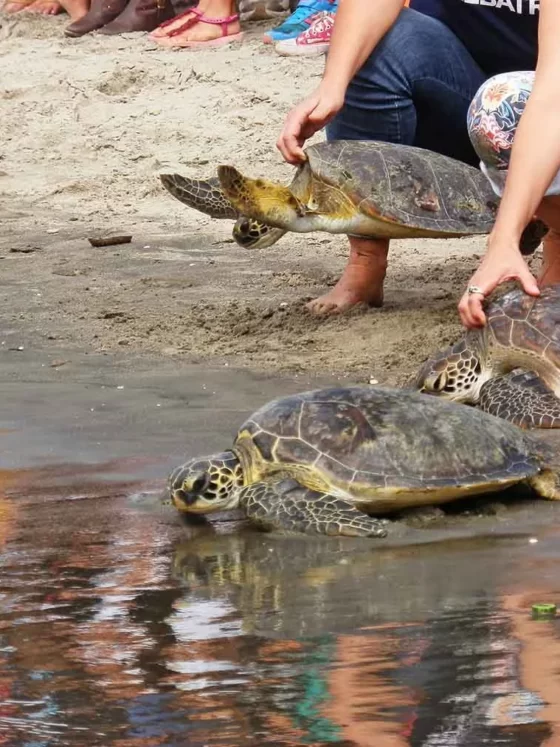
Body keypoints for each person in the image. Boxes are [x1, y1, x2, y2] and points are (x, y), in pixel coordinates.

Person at [276, 0, 560, 328]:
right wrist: (331, 86)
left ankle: (556, 236)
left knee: (500, 108)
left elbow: (552, 98)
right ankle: (364, 261)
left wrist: (503, 238)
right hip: (459, 84)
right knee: (370, 39)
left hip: (534, 103)